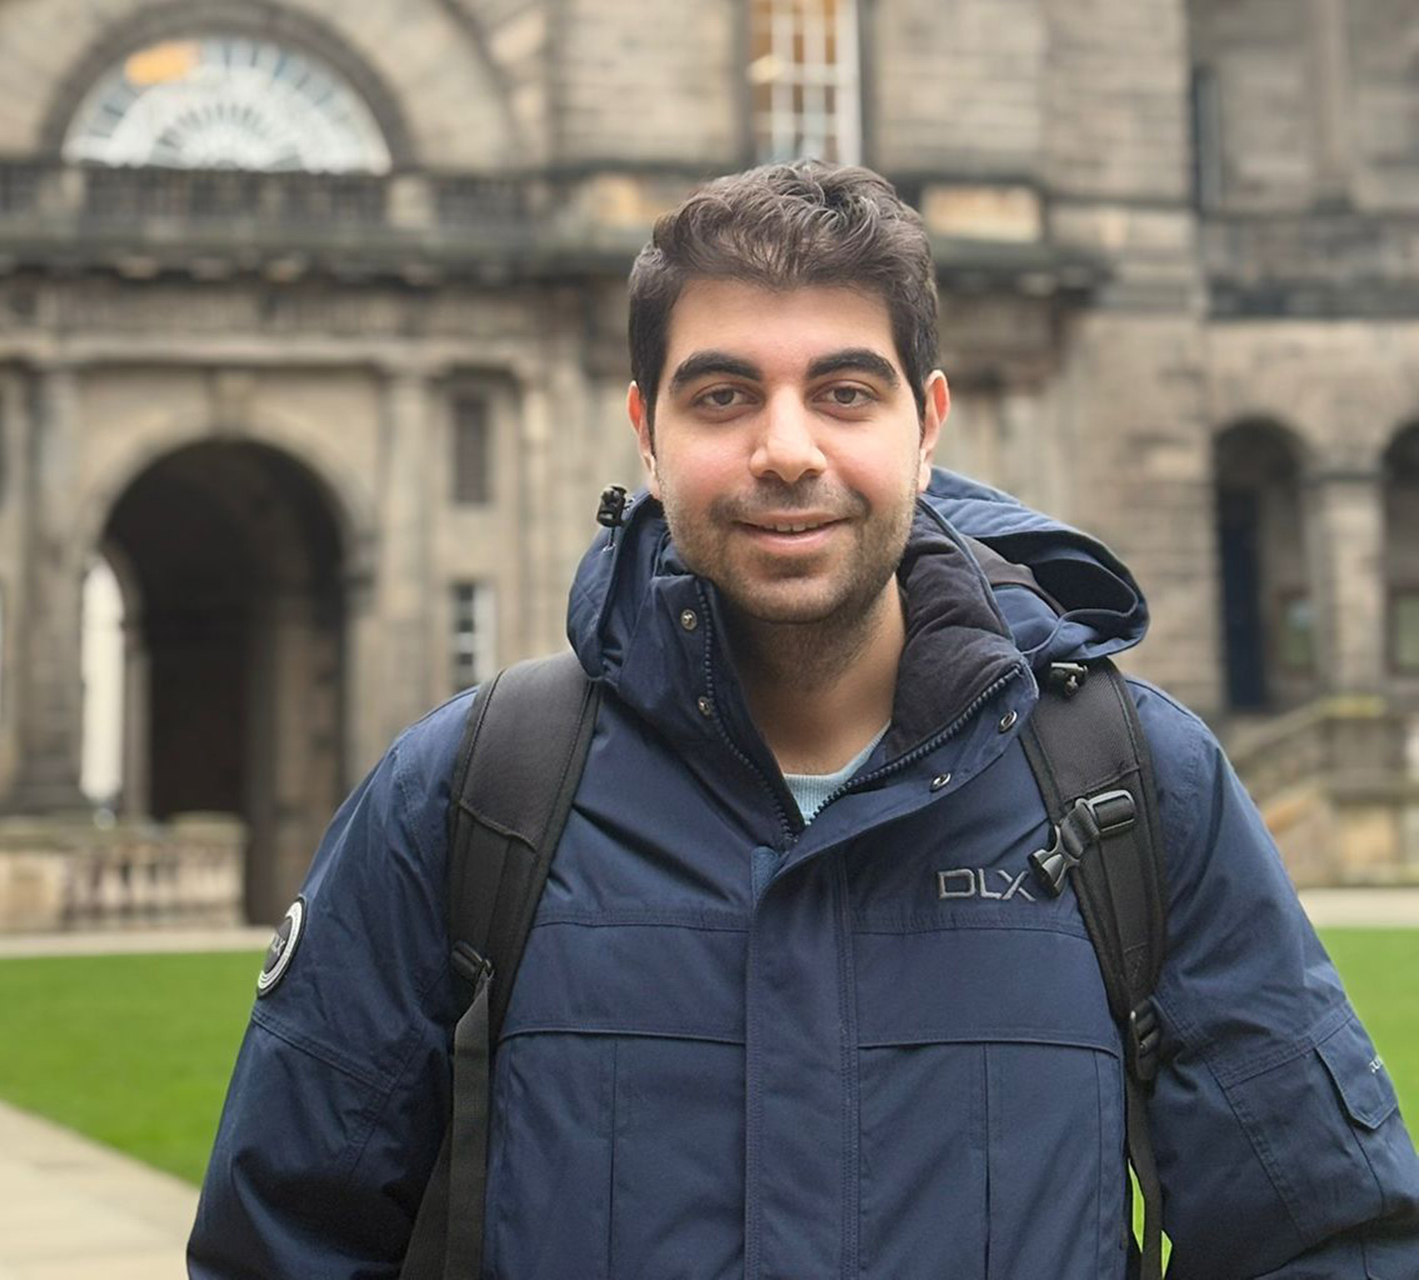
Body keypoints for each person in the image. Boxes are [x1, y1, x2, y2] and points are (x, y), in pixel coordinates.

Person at [188, 163, 1419, 1277]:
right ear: (647, 434)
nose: (787, 448)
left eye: (843, 390)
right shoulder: (472, 790)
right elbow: (283, 1243)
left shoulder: (1135, 785)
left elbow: (1326, 1232)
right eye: (723, 394)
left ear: (926, 426)